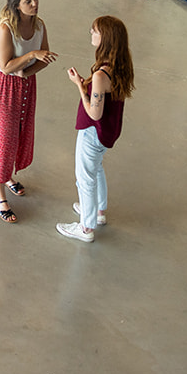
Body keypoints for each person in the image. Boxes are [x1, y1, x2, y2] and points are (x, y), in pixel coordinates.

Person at [0, 0, 57, 223]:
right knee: (3, 138)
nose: (35, 4)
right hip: (3, 89)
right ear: (17, 5)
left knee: (18, 134)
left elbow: (45, 57)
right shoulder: (6, 28)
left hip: (25, 87)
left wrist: (27, 72)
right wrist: (31, 56)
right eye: (28, 1)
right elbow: (6, 66)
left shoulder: (39, 25)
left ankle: (8, 176)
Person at [57, 15, 134, 243]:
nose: (91, 32)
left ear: (106, 39)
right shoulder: (119, 67)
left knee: (85, 177)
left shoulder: (101, 75)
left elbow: (94, 113)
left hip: (93, 133)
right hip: (107, 133)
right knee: (96, 169)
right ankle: (98, 211)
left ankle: (86, 227)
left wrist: (81, 88)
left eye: (95, 31)